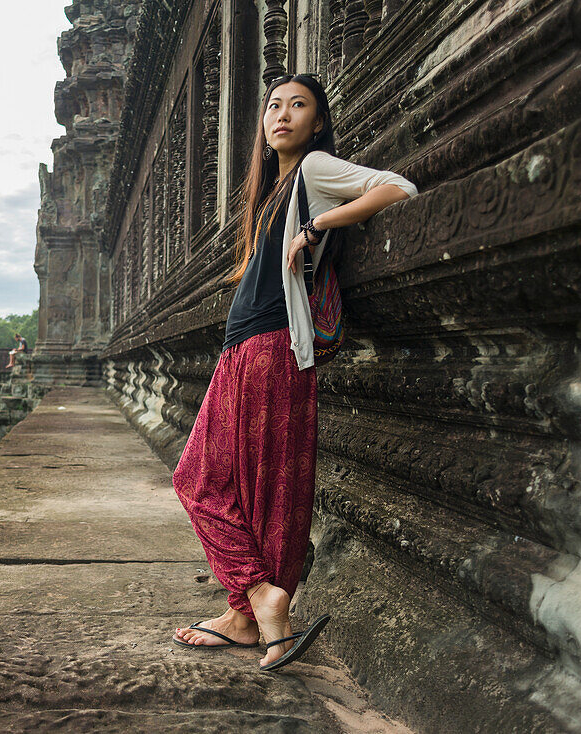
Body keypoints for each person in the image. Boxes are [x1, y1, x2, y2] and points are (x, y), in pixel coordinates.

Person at [170, 74, 418, 671]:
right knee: (260, 491)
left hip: (272, 344)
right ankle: (251, 618)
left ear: (318, 122)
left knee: (199, 479)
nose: (282, 115)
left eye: (298, 105)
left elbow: (398, 187)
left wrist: (317, 227)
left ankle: (262, 599)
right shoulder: (273, 190)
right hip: (248, 347)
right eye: (274, 106)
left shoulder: (314, 171)